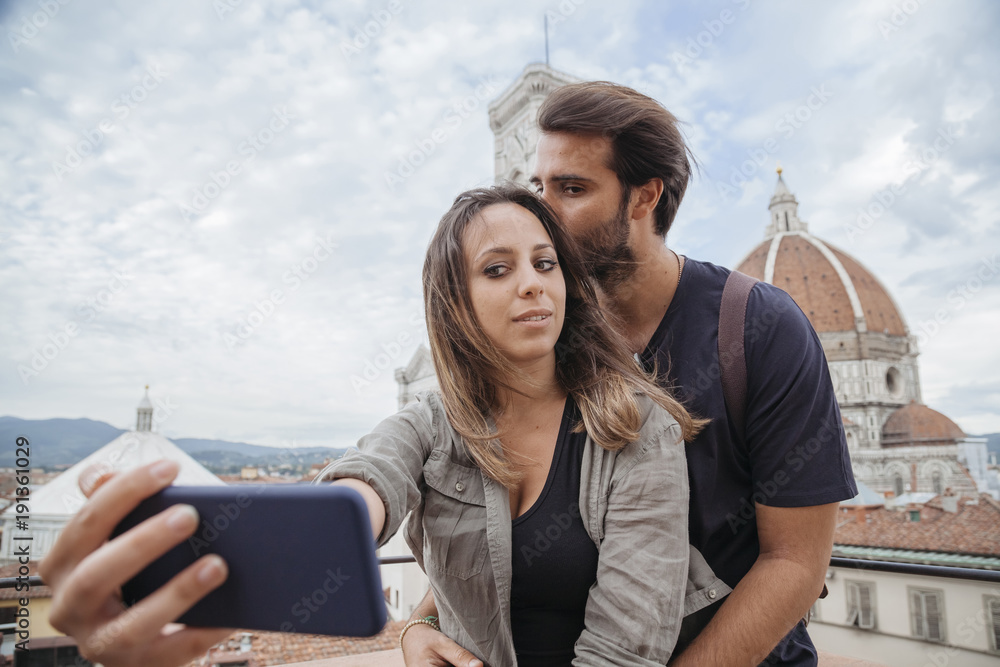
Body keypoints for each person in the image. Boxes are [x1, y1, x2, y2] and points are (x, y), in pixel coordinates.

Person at [39, 184, 721, 667]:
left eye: (545, 263)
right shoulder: (429, 422)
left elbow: (623, 649)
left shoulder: (637, 429)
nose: (532, 282)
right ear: (456, 305)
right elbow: (366, 482)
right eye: (497, 268)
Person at [406, 83, 858, 666]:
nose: (542, 208)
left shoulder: (758, 329)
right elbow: (497, 508)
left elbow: (795, 562)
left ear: (645, 197)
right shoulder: (543, 334)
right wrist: (420, 621)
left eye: (571, 188)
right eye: (537, 186)